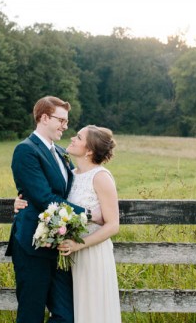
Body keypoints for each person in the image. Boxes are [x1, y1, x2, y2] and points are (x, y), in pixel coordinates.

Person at [5, 96, 102, 323]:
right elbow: (44, 197)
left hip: (58, 244)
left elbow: (69, 190)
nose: (65, 126)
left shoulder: (60, 152)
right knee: (31, 313)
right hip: (31, 244)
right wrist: (88, 215)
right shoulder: (25, 150)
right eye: (61, 120)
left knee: (67, 315)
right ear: (44, 117)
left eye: (66, 121)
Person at [14, 125, 121, 323]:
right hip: (68, 256)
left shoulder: (101, 177)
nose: (72, 138)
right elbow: (47, 195)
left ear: (89, 150)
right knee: (72, 312)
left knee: (91, 309)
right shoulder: (71, 173)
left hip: (91, 252)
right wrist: (20, 200)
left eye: (79, 137)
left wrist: (79, 244)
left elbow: (113, 225)